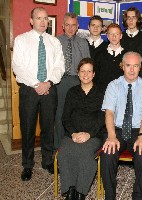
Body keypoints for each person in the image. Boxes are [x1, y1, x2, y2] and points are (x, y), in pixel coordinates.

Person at [12, 7, 65, 181]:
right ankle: (27, 165)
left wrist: (47, 83)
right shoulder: (21, 40)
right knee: (27, 128)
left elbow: (60, 66)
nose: (43, 22)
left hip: (50, 89)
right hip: (29, 89)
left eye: (45, 19)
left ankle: (47, 161)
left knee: (48, 127)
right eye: (39, 18)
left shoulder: (54, 42)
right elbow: (18, 66)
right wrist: (37, 84)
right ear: (31, 21)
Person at [100, 51, 142, 200]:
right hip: (116, 129)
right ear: (122, 66)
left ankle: (138, 196)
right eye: (128, 65)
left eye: (135, 66)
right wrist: (111, 136)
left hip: (139, 130)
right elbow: (109, 113)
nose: (132, 69)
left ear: (140, 67)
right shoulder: (113, 85)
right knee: (108, 153)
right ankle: (110, 195)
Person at [58, 58, 105, 200]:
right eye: (83, 71)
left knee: (84, 153)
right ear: (78, 74)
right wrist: (73, 133)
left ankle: (80, 192)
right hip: (72, 134)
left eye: (89, 71)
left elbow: (102, 118)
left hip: (93, 135)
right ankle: (69, 190)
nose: (86, 74)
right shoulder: (72, 92)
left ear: (94, 74)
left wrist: (88, 134)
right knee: (65, 152)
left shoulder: (101, 92)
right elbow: (65, 117)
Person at [55, 12, 90, 150]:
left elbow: (87, 64)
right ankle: (57, 149)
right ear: (63, 26)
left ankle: (75, 147)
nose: (70, 28)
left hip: (78, 82)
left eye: (73, 25)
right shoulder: (55, 41)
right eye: (67, 25)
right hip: (60, 83)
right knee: (59, 116)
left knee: (76, 116)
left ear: (78, 26)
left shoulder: (82, 42)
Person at [94, 23, 127, 93]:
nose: (114, 37)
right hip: (102, 93)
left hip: (122, 94)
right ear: (107, 36)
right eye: (111, 34)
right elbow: (95, 77)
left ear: (121, 36)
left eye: (117, 34)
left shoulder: (127, 55)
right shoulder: (99, 55)